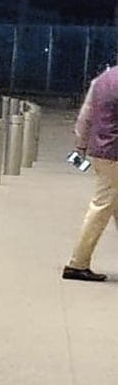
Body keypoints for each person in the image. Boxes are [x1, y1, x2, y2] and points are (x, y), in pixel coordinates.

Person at [62, 64, 118, 282]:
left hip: (101, 151)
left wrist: (81, 147)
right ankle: (77, 263)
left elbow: (85, 116)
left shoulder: (102, 79)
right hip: (114, 153)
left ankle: (78, 262)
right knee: (101, 206)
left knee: (112, 204)